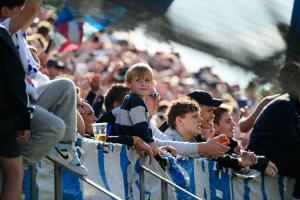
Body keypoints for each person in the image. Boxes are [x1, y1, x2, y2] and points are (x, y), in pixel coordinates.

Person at [0, 0, 88, 175]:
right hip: (21, 98)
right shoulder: (4, 26)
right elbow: (32, 7)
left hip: (33, 93)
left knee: (66, 85)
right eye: (19, 8)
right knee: (54, 127)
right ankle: (13, 168)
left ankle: (64, 150)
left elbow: (34, 9)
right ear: (5, 11)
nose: (24, 12)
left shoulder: (14, 29)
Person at [247, 62, 300, 199]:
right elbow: (292, 143)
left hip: (279, 154)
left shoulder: (293, 105)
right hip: (264, 157)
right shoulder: (284, 104)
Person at [0, 24, 31, 200]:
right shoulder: (2, 34)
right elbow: (15, 81)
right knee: (14, 175)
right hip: (3, 118)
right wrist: (24, 122)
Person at [80, 101, 154, 164]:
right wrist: (134, 140)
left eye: (94, 114)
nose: (95, 119)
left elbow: (104, 141)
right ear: (78, 117)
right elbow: (100, 142)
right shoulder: (78, 140)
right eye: (90, 114)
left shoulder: (98, 131)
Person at [214, 106, 277, 176]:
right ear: (215, 127)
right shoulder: (211, 152)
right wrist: (261, 163)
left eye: (232, 120)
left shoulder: (232, 146)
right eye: (228, 121)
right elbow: (229, 160)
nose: (234, 124)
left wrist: (261, 162)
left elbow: (236, 159)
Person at [115, 63, 159, 154]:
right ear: (129, 84)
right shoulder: (136, 102)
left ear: (152, 84)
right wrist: (150, 142)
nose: (143, 83)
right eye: (138, 80)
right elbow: (140, 126)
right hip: (132, 148)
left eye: (147, 80)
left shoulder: (129, 98)